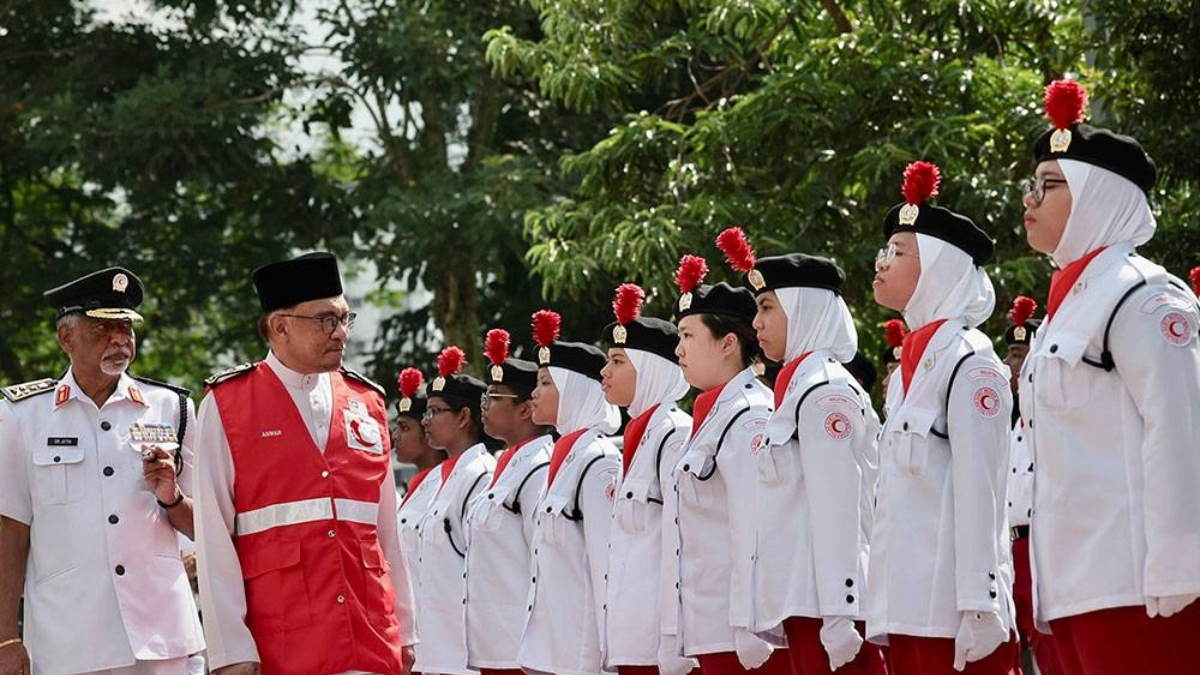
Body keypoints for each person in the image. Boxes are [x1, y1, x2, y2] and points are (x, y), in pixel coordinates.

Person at [1017, 80, 1200, 675]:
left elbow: (1180, 429)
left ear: (1100, 198)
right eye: (1032, 184)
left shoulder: (1143, 295)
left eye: (1050, 185)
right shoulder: (1065, 310)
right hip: (1073, 587)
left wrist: (1181, 567)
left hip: (1139, 586)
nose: (1031, 199)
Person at [193, 252, 416, 675]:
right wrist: (231, 651)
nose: (340, 334)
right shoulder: (227, 404)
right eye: (324, 320)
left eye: (345, 319)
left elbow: (387, 528)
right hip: (281, 642)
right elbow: (213, 536)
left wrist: (406, 628)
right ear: (279, 326)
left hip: (369, 635)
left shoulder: (367, 402)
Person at [0, 267, 204, 675]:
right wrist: (6, 639)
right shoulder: (20, 416)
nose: (119, 341)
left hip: (164, 636)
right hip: (70, 641)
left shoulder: (172, 407)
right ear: (66, 338)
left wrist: (171, 497)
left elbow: (205, 527)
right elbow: (11, 529)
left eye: (126, 329)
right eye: (102, 330)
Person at [867, 161, 1018, 675]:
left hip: (956, 617)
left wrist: (981, 602)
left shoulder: (969, 363)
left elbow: (983, 489)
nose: (881, 263)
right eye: (884, 251)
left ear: (939, 268)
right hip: (908, 605)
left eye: (899, 252)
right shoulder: (909, 373)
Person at [717, 227, 885, 675]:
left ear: (803, 309)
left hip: (829, 608)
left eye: (767, 308)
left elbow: (840, 510)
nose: (756, 324)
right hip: (804, 602)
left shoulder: (825, 393)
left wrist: (840, 610)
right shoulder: (798, 393)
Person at [666, 254, 791, 675]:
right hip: (709, 627)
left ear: (727, 343)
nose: (678, 349)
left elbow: (755, 526)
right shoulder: (713, 416)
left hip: (742, 633)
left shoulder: (751, 415)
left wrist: (748, 623)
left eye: (688, 335)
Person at [517, 310, 621, 675]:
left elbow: (607, 568)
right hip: (552, 648)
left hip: (585, 654)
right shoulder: (564, 460)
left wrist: (609, 656)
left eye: (545, 383)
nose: (534, 392)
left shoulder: (598, 460)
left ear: (574, 388)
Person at [598, 284, 695, 675]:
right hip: (631, 634)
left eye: (618, 362)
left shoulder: (674, 434)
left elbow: (679, 542)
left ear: (651, 369)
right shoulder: (638, 438)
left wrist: (673, 637)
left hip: (660, 640)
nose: (605, 372)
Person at [464, 329, 554, 675]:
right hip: (490, 641)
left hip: (520, 644)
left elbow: (543, 561)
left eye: (494, 399)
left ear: (525, 409)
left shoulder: (539, 467)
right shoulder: (505, 464)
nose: (484, 408)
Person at [411, 346, 495, 675]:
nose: (426, 421)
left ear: (463, 417)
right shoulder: (435, 479)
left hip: (464, 647)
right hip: (433, 641)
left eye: (435, 411)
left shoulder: (482, 474)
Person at [999, 297, 1061, 675]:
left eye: (1019, 355)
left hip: (1044, 542)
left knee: (1052, 647)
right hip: (1013, 546)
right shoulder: (1008, 419)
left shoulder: (1051, 417)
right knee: (1023, 645)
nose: (1010, 364)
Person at [393, 366, 446, 675]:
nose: (394, 436)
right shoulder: (415, 487)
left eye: (404, 428)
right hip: (418, 632)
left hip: (438, 634)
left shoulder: (445, 486)